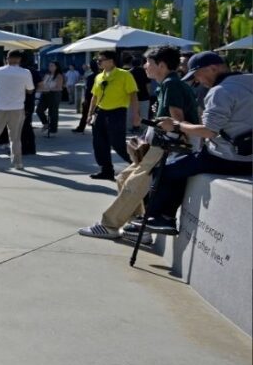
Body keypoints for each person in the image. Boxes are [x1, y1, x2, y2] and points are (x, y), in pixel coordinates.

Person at [78, 45, 199, 241]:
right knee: (124, 178)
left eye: (148, 63)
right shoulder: (168, 83)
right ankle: (138, 225)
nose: (144, 66)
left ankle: (109, 225)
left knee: (134, 183)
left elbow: (177, 121)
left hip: (166, 146)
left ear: (161, 65)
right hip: (159, 144)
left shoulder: (171, 85)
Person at [144, 52, 252, 235]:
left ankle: (161, 218)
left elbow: (209, 131)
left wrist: (177, 125)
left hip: (227, 158)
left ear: (213, 68)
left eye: (197, 75)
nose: (197, 81)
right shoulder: (248, 80)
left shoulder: (220, 91)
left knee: (166, 170)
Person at [0, 50, 35, 170]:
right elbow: (30, 89)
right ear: (19, 59)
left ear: (7, 58)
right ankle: (17, 162)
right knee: (15, 137)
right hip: (17, 108)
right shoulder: (25, 72)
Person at [87, 50, 140, 181]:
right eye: (97, 60)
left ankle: (139, 165)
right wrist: (90, 114)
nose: (98, 62)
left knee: (118, 144)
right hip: (101, 112)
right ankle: (106, 170)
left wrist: (135, 114)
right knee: (99, 143)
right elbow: (94, 96)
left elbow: (133, 95)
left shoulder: (124, 75)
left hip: (117, 112)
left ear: (111, 61)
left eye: (101, 60)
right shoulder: (99, 77)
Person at [37, 61, 65, 136]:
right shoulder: (47, 74)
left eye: (52, 66)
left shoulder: (59, 75)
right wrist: (40, 88)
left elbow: (59, 88)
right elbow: (42, 84)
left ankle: (53, 130)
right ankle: (46, 124)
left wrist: (49, 89)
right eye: (49, 66)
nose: (50, 67)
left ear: (56, 67)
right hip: (45, 94)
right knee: (39, 110)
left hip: (54, 95)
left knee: (53, 113)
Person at [128, 54, 152, 130]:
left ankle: (131, 127)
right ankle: (143, 129)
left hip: (131, 97)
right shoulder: (144, 72)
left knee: (132, 114)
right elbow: (148, 85)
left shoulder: (128, 73)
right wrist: (149, 94)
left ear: (131, 64)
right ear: (140, 63)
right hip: (144, 96)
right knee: (143, 115)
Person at [72, 64, 98, 133]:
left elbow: (88, 89)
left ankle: (81, 128)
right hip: (99, 98)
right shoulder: (102, 76)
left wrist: (86, 99)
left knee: (85, 114)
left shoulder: (91, 77)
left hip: (90, 97)